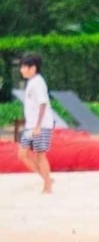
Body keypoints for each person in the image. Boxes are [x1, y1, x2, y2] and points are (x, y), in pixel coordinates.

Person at [17, 54, 56, 194]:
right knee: (22, 154)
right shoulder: (31, 82)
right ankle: (46, 179)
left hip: (41, 125)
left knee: (40, 154)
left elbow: (43, 103)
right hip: (31, 125)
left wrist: (39, 125)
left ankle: (48, 186)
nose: (21, 70)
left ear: (33, 68)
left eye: (24, 67)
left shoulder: (38, 82)